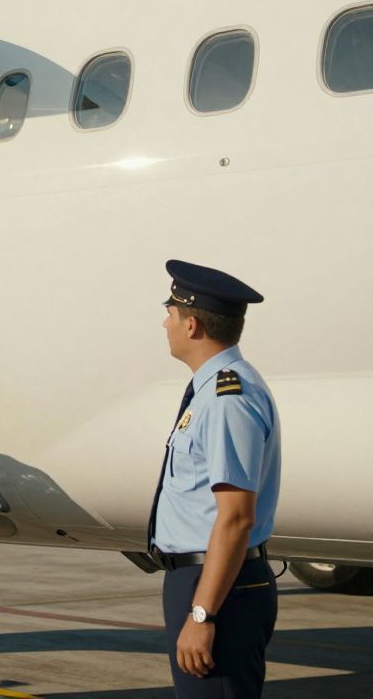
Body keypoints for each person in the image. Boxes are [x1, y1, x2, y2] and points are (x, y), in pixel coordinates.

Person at [149, 260, 281, 697]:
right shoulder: (212, 389)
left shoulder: (228, 398)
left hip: (218, 587)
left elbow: (236, 518)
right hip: (205, 580)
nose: (164, 323)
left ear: (192, 325)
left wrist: (202, 614)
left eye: (170, 313)